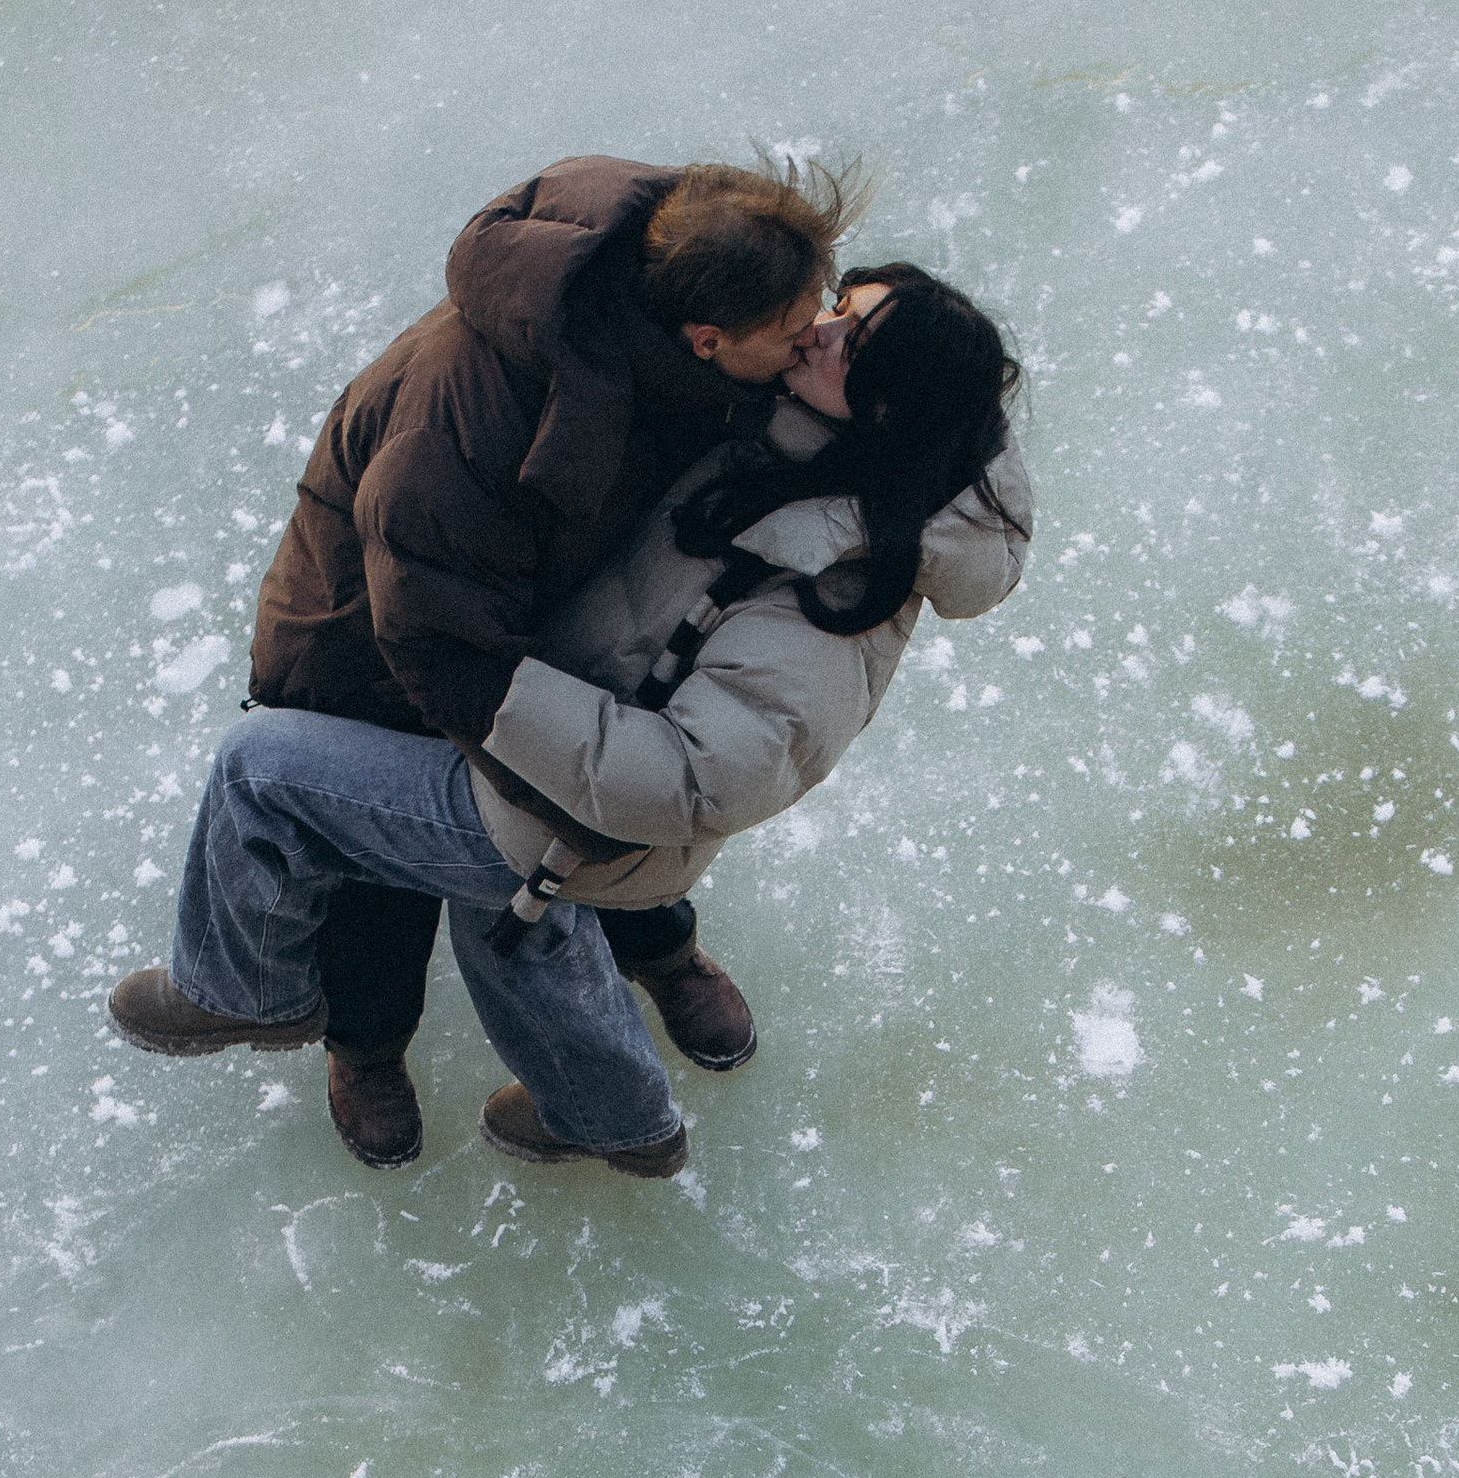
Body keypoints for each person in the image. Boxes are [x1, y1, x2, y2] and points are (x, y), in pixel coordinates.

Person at [107, 263, 1031, 1175]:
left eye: (848, 340)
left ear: (885, 411)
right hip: (579, 777)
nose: (815, 330)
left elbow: (700, 778)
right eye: (837, 308)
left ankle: (248, 990)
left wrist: (497, 694)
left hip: (569, 807)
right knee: (508, 925)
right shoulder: (811, 448)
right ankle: (619, 1121)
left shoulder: (829, 597)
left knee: (262, 774)